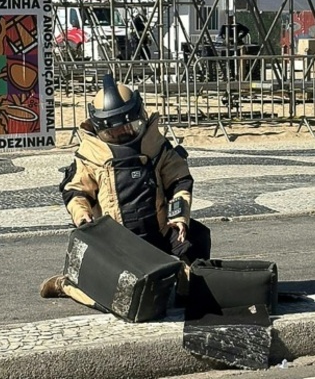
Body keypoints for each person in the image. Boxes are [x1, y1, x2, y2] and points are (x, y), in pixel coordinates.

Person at [40, 74, 211, 302]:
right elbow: (77, 191)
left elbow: (179, 181)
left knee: (197, 243)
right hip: (116, 241)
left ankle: (186, 283)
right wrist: (83, 217)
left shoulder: (157, 145)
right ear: (99, 129)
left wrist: (179, 216)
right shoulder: (90, 154)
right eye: (113, 132)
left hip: (160, 230)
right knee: (115, 295)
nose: (122, 134)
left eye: (129, 127)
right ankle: (68, 284)